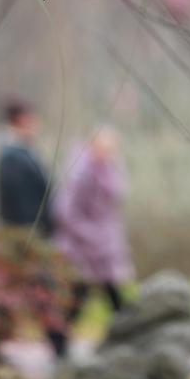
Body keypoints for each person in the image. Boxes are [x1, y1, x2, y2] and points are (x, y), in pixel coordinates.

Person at [0, 98, 65, 357]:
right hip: (25, 236)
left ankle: (58, 345)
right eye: (30, 120)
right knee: (39, 289)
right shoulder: (11, 157)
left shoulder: (22, 153)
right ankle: (59, 347)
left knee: (19, 291)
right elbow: (18, 201)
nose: (35, 125)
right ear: (19, 121)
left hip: (31, 234)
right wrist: (33, 233)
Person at [50, 128, 133, 353]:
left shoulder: (109, 170)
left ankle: (129, 337)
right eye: (104, 149)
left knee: (107, 293)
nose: (108, 154)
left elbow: (112, 204)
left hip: (103, 247)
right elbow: (64, 212)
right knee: (83, 293)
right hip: (83, 247)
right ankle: (59, 341)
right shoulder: (79, 173)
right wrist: (90, 235)